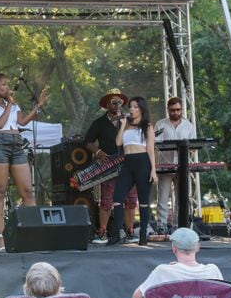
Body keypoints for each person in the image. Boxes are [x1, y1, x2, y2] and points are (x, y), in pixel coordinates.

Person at [0, 72, 49, 252]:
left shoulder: (12, 105)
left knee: (27, 191)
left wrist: (38, 106)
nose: (7, 87)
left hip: (17, 145)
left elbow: (21, 122)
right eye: (3, 85)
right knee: (0, 191)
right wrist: (9, 104)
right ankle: (0, 237)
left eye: (7, 84)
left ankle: (35, 234)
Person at [84, 88, 138, 244]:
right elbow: (87, 142)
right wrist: (99, 151)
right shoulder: (99, 123)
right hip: (109, 166)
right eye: (113, 102)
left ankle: (129, 232)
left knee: (131, 199)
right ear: (107, 104)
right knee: (107, 199)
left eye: (119, 102)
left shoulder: (129, 121)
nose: (116, 104)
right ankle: (102, 233)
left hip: (128, 164)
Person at [109, 96, 157, 246]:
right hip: (128, 162)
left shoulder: (147, 126)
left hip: (143, 162)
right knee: (117, 197)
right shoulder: (126, 124)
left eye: (135, 107)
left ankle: (143, 235)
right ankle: (116, 234)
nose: (131, 109)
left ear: (141, 109)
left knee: (143, 201)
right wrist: (123, 125)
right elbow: (118, 142)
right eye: (130, 106)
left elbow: (150, 149)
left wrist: (153, 170)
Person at [131, 228, 222, 298]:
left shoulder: (163, 271)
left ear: (174, 249)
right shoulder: (213, 270)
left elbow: (137, 297)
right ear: (198, 247)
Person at [153, 97, 196, 233]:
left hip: (182, 167)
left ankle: (179, 225)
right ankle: (161, 226)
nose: (175, 112)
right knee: (163, 197)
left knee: (181, 197)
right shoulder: (160, 124)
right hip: (165, 165)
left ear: (182, 109)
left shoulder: (189, 126)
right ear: (168, 110)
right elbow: (155, 144)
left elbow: (194, 147)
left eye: (178, 110)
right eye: (172, 110)